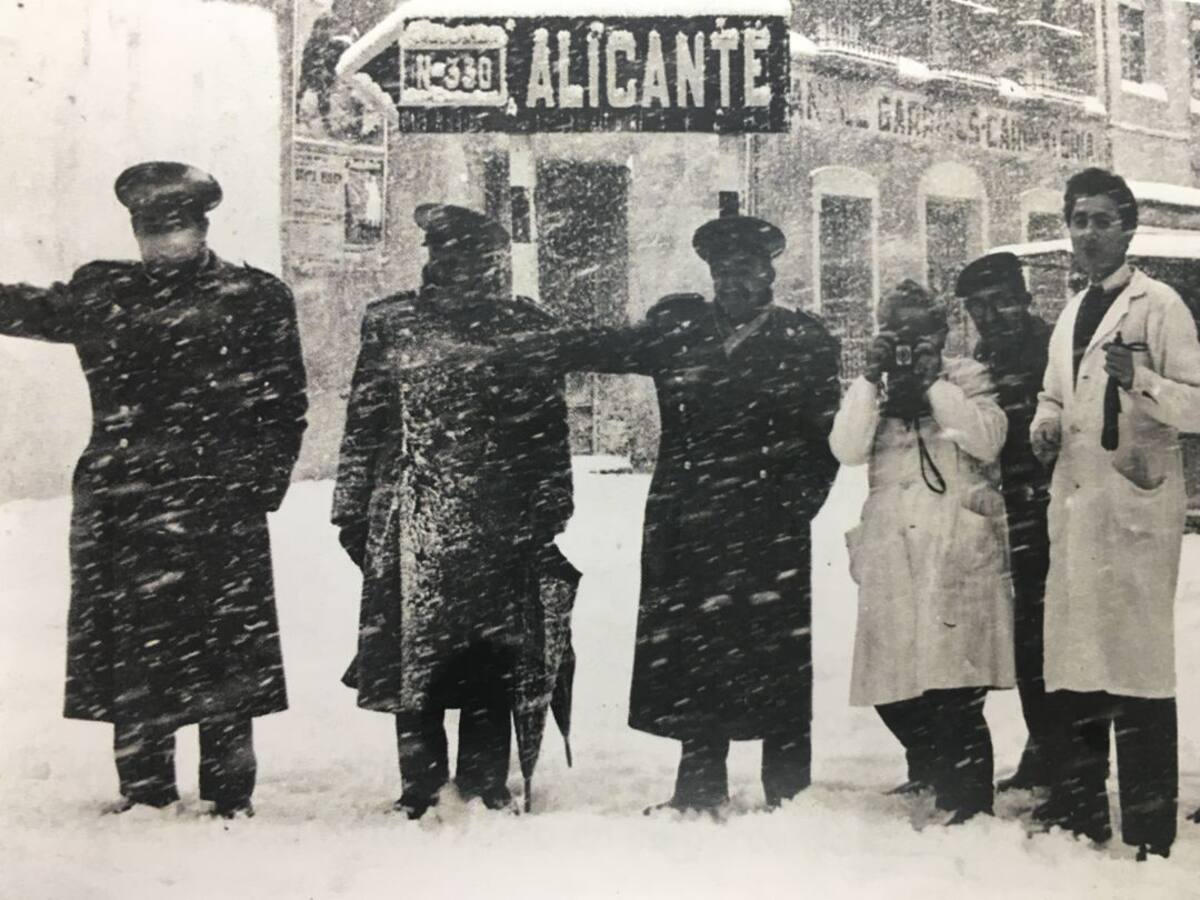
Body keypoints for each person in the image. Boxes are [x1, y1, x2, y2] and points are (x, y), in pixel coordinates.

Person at [497, 214, 841, 814]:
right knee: (696, 650)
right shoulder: (679, 330)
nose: (732, 281)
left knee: (774, 651)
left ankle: (789, 791)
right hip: (689, 518)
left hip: (768, 527)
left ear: (769, 273)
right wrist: (524, 336)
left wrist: (792, 509)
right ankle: (698, 785)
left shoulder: (803, 341)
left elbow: (822, 443)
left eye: (745, 270)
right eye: (722, 270)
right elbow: (597, 346)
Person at [0, 161, 308, 817]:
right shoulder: (102, 290)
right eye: (149, 231)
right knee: (134, 650)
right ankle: (145, 794)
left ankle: (230, 794)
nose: (161, 244)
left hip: (217, 501)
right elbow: (25, 307)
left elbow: (285, 404)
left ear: (201, 227)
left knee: (224, 649)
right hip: (124, 502)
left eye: (173, 230)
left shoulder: (254, 296)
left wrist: (259, 485)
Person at [331, 204, 575, 820]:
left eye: (474, 257)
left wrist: (551, 503)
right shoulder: (393, 322)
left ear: (496, 262)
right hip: (409, 515)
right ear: (432, 257)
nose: (461, 268)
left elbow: (547, 428)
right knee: (413, 655)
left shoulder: (528, 326)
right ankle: (420, 784)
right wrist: (352, 508)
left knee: (491, 654)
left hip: (501, 515)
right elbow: (366, 417)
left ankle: (485, 781)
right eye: (448, 255)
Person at [1030, 168, 1200, 860]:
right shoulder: (1073, 312)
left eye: (1104, 220)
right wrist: (1045, 420)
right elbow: (1055, 391)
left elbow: (1195, 403)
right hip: (1078, 506)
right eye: (1080, 220)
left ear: (1128, 229)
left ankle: (1151, 829)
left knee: (1135, 671)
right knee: (1076, 665)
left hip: (1133, 509)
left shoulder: (1159, 306)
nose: (1090, 233)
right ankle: (1079, 813)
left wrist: (1145, 383)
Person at [830, 279, 1013, 826]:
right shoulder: (875, 387)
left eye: (921, 332)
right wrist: (868, 378)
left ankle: (970, 798)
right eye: (898, 332)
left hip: (954, 540)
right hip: (892, 543)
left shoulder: (969, 378)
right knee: (893, 681)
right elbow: (846, 449)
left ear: (942, 332)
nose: (910, 343)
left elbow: (985, 440)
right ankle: (931, 768)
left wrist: (934, 383)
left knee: (955, 679)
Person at [956, 253, 1054, 793]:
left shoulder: (1053, 349)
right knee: (1023, 639)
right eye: (978, 308)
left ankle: (1056, 753)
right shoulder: (983, 356)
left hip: (1049, 507)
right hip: (1006, 511)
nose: (990, 316)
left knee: (1048, 637)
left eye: (1000, 303)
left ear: (1025, 299)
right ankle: (1042, 746)